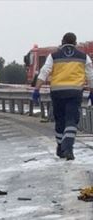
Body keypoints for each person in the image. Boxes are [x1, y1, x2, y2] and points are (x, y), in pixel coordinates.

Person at [33, 32, 93, 160]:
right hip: (75, 92)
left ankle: (61, 147)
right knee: (71, 120)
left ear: (62, 42)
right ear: (75, 43)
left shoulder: (53, 56)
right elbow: (90, 76)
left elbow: (44, 72)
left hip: (57, 92)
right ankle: (69, 148)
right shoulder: (84, 57)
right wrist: (92, 92)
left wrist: (36, 90)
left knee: (60, 120)